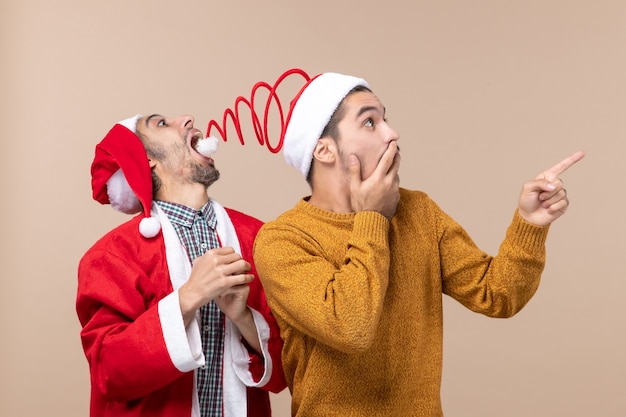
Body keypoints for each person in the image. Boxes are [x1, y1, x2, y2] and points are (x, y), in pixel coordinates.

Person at [250, 71, 585, 416]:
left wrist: (529, 224)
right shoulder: (282, 241)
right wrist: (373, 218)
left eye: (386, 119)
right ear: (324, 149)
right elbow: (349, 327)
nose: (391, 133)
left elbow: (497, 294)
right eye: (369, 122)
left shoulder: (419, 212)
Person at [77, 113, 286, 417]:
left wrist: (243, 317)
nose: (188, 119)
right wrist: (189, 297)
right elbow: (109, 372)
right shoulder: (111, 256)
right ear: (146, 159)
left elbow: (290, 365)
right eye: (160, 124)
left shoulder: (260, 239)